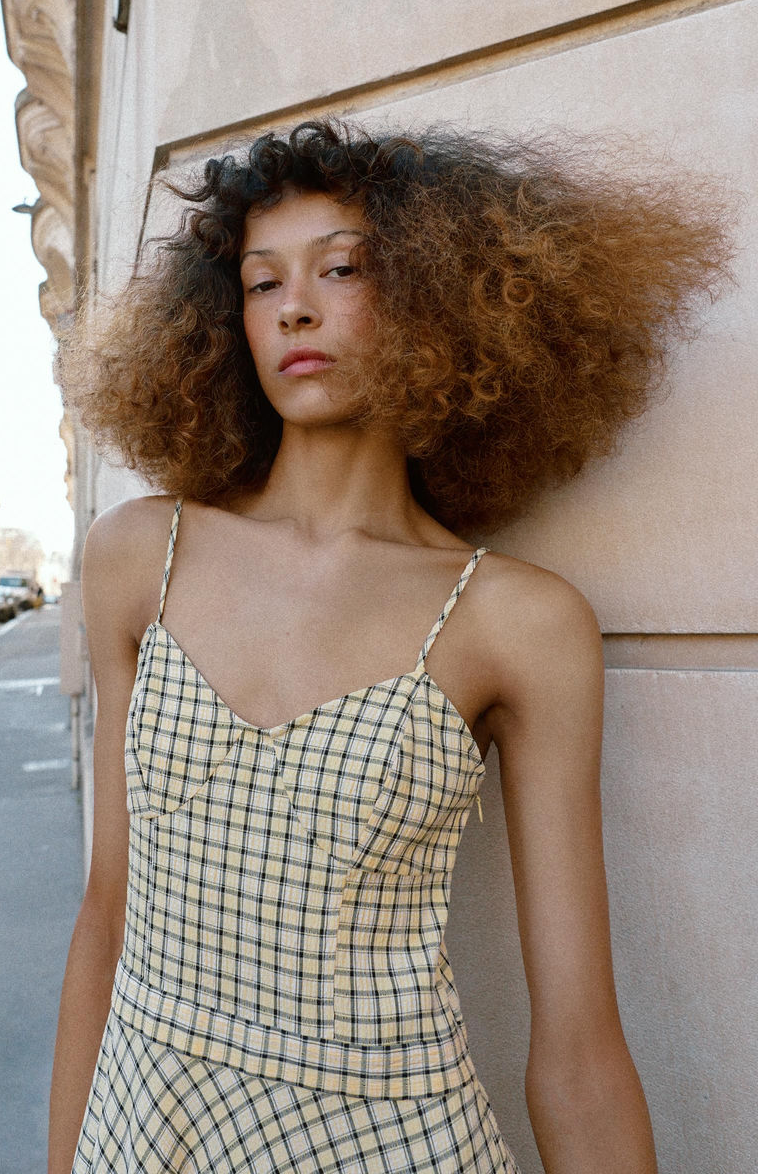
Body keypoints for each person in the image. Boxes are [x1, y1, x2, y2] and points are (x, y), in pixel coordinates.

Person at [49, 120, 736, 1174]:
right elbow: (106, 913)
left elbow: (577, 1047)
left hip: (388, 1143)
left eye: (342, 268)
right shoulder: (139, 557)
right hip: (146, 1132)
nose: (296, 307)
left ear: (434, 296)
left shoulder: (512, 621)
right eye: (259, 282)